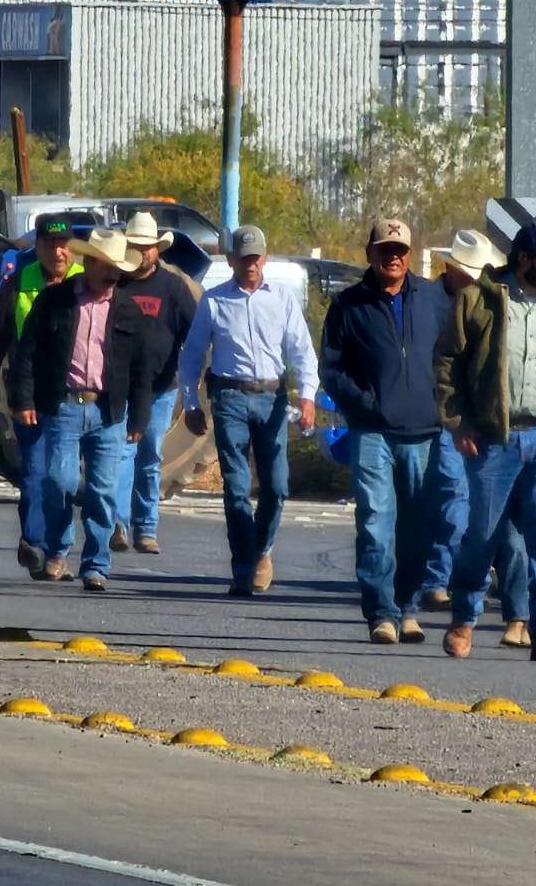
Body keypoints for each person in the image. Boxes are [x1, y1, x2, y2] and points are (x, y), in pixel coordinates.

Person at [434, 221, 536, 663]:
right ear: (524, 259)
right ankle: (464, 620)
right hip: (493, 439)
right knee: (482, 536)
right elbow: (448, 361)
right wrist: (458, 422)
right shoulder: (479, 300)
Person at [320, 219, 447, 645]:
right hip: (372, 432)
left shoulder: (434, 298)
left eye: (400, 250)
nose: (393, 257)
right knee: (375, 522)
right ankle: (381, 612)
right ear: (370, 253)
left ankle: (407, 608)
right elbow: (331, 370)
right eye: (385, 249)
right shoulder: (348, 305)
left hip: (425, 432)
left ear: (410, 254)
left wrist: (447, 405)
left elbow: (453, 357)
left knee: (418, 527)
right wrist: (364, 404)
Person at [178, 225, 318, 597]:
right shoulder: (214, 301)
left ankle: (263, 549)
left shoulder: (282, 299)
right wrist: (191, 402)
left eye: (256, 257)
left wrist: (307, 397)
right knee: (237, 486)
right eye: (244, 258)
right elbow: (192, 356)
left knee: (276, 485)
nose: (251, 264)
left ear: (265, 258)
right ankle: (242, 566)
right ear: (231, 260)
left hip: (271, 397)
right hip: (230, 398)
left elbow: (302, 350)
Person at [10, 228, 152, 593]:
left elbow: (141, 371)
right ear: (88, 263)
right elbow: (27, 353)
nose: (112, 275)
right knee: (60, 481)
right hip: (64, 408)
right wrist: (24, 400)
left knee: (103, 492)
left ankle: (96, 565)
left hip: (108, 413)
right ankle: (57, 550)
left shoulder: (128, 311)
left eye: (116, 269)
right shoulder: (54, 301)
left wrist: (139, 418)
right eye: (106, 266)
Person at [425, 229, 531, 648]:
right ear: (451, 269)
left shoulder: (492, 303)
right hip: (455, 422)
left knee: (513, 526)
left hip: (494, 427)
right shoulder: (430, 303)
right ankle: (448, 590)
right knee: (456, 505)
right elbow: (444, 366)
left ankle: (517, 614)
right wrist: (455, 421)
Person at [0, 213, 81, 577]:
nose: (58, 252)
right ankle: (35, 544)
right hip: (29, 394)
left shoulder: (89, 284)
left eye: (64, 244)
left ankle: (59, 546)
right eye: (50, 244)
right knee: (34, 471)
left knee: (61, 477)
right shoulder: (20, 283)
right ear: (37, 246)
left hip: (74, 397)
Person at [112, 211, 198, 555]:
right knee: (121, 453)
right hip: (120, 386)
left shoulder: (173, 287)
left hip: (162, 387)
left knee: (150, 456)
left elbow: (195, 332)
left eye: (147, 246)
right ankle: (117, 524)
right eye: (135, 245)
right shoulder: (116, 282)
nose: (142, 252)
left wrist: (187, 371)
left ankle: (146, 529)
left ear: (157, 249)